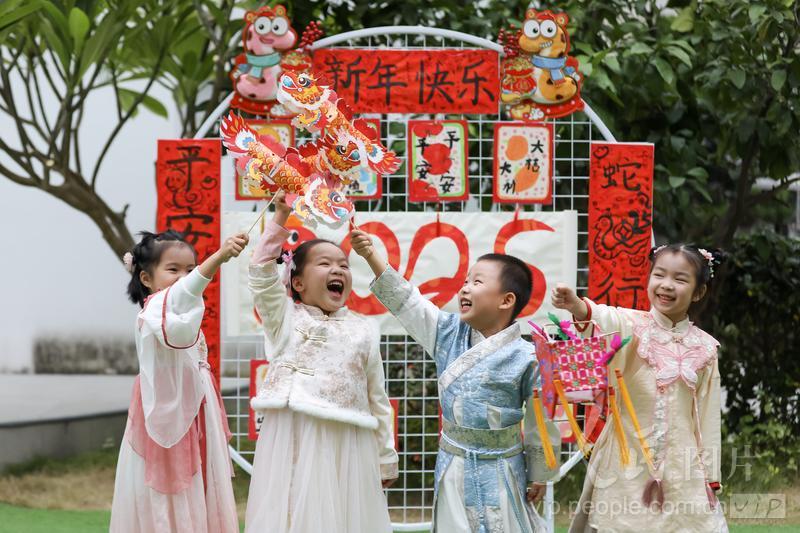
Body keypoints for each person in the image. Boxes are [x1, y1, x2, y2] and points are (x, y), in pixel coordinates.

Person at [351, 229, 558, 533]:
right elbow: (407, 301)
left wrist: (538, 473)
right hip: (453, 465)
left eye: (476, 282)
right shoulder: (446, 332)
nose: (464, 289)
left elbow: (541, 420)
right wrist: (370, 255)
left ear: (506, 300)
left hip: (503, 469)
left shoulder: (527, 356)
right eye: (464, 282)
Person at [245, 191, 398, 533]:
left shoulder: (365, 329)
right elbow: (259, 273)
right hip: (293, 435)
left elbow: (378, 399)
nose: (337, 269)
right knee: (292, 513)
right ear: (297, 282)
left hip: (349, 443)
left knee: (344, 518)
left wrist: (385, 456)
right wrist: (281, 217)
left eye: (343, 265)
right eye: (325, 263)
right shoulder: (283, 317)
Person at [552, 244, 728, 532]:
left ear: (698, 292)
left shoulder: (706, 348)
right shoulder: (632, 325)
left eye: (680, 279)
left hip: (683, 466)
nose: (666, 285)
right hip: (627, 456)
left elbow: (707, 418)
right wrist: (577, 306)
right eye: (659, 275)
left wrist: (710, 475)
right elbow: (603, 317)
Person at [111, 230, 247, 533]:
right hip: (167, 410)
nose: (184, 277)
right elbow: (184, 297)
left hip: (197, 408)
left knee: (199, 480)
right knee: (169, 488)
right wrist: (219, 257)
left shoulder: (180, 310)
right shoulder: (155, 311)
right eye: (173, 270)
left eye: (190, 269)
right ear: (146, 279)